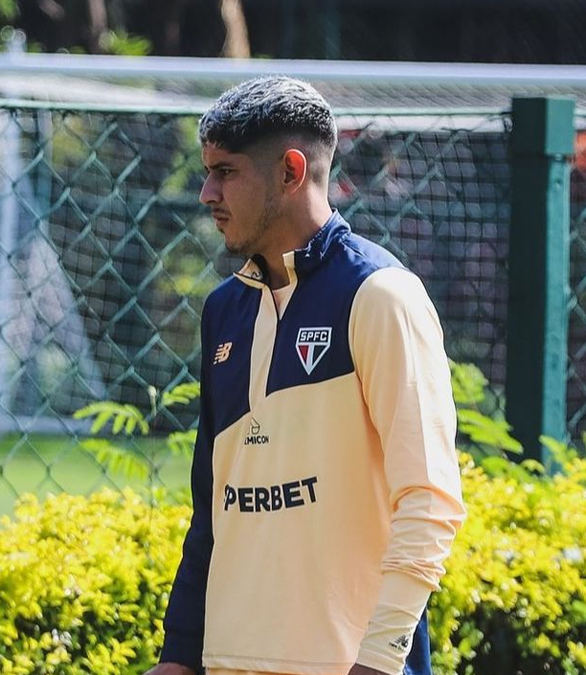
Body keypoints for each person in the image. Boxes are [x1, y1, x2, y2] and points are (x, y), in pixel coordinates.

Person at [146, 77, 465, 675]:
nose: (206, 192)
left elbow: (428, 502)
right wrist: (180, 657)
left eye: (226, 171)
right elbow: (211, 512)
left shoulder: (381, 295)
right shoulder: (223, 309)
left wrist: (380, 658)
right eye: (207, 170)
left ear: (291, 172)